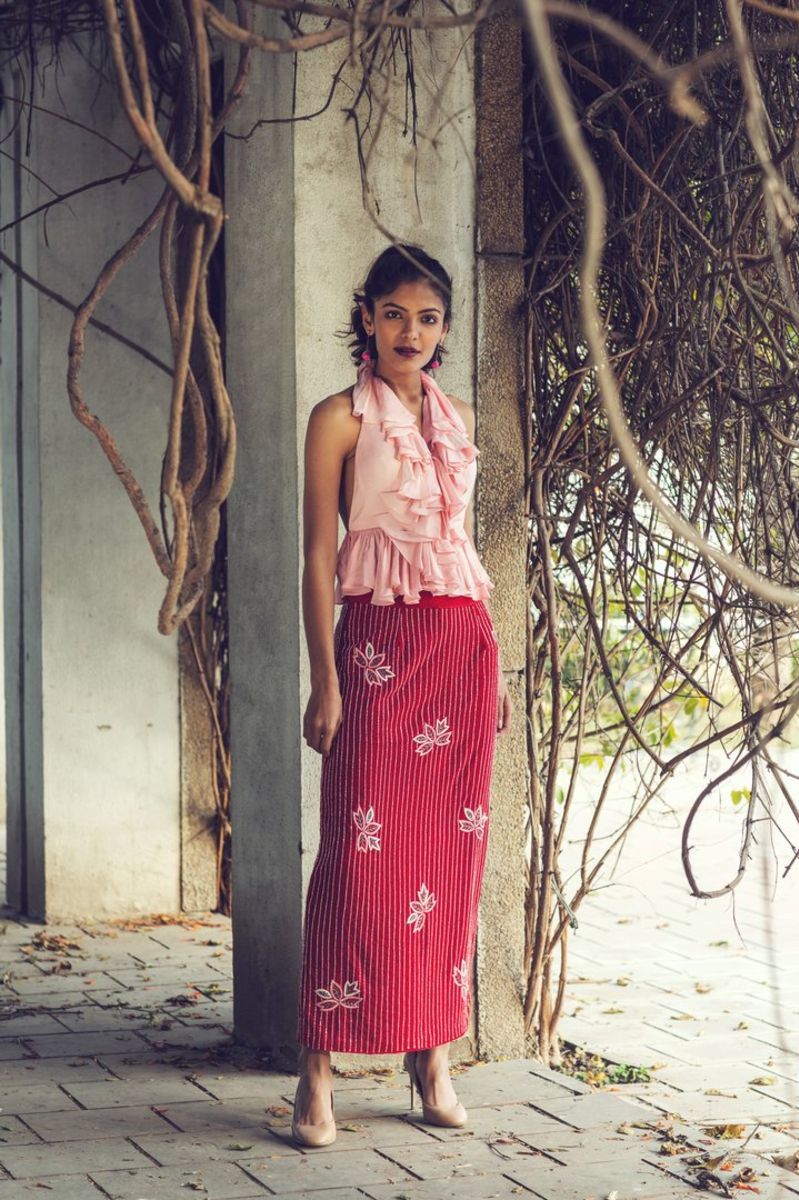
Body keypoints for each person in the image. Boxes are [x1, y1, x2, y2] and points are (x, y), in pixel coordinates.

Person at [293, 242, 512, 1148]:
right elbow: (316, 555)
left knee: (447, 864)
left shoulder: (454, 419)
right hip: (379, 651)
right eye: (393, 314)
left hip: (460, 649)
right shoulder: (338, 419)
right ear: (367, 319)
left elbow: (458, 548)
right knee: (356, 860)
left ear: (444, 328)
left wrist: (489, 661)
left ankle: (430, 1056)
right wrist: (325, 677)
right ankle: (315, 1070)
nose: (409, 332)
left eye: (426, 318)